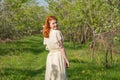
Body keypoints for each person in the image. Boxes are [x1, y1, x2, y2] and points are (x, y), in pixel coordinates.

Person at [42, 16, 69, 80]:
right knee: (60, 76)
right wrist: (66, 60)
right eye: (53, 23)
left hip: (50, 57)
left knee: (52, 75)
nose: (56, 24)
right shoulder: (57, 32)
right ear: (49, 25)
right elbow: (61, 48)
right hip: (58, 56)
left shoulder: (46, 33)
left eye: (56, 22)